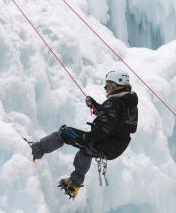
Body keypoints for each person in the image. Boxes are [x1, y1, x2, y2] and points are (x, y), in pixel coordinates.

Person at [30, 69, 138, 198]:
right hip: (115, 147)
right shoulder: (130, 104)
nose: (105, 88)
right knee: (87, 150)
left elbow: (105, 125)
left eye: (108, 85)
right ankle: (73, 185)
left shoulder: (114, 103)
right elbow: (112, 119)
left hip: (103, 142)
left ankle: (35, 150)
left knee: (65, 132)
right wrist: (94, 105)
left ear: (116, 85)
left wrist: (87, 138)